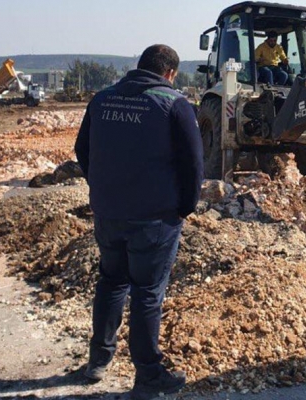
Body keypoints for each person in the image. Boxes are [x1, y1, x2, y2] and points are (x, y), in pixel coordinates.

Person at [74, 44, 204, 399]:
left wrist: (101, 189)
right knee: (147, 292)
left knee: (111, 282)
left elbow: (82, 150)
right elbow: (194, 163)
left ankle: (98, 361)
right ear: (170, 73)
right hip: (154, 218)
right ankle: (148, 375)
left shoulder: (101, 100)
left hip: (108, 213)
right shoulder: (173, 104)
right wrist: (186, 207)